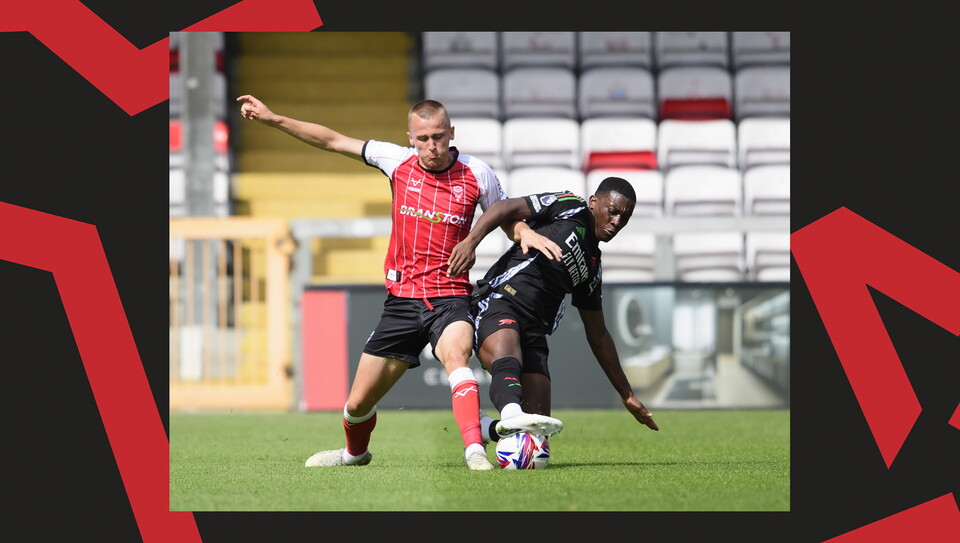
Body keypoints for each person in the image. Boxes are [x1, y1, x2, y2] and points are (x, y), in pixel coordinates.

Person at [237, 95, 564, 470]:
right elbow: (332, 140)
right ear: (410, 137)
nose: (432, 146)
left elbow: (504, 214)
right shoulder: (396, 161)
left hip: (450, 298)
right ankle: (354, 454)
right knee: (357, 405)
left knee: (457, 357)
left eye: (439, 136)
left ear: (452, 133)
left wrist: (523, 232)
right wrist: (275, 119)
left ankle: (474, 450)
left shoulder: (478, 173)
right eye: (423, 138)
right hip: (402, 302)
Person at [446, 176, 660, 446]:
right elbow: (505, 208)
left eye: (624, 217)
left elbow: (599, 335)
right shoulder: (571, 206)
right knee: (508, 359)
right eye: (613, 211)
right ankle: (507, 415)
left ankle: (487, 428)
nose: (617, 222)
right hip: (501, 301)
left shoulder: (592, 267)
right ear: (594, 202)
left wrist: (626, 393)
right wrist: (471, 242)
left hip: (535, 329)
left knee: (536, 438)